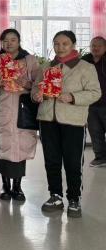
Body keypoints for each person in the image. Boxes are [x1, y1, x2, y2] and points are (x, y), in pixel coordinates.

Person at [32, 30, 101, 218]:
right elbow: (35, 89)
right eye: (56, 44)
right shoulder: (46, 67)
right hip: (47, 120)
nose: (60, 47)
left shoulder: (85, 67)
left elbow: (95, 93)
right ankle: (55, 195)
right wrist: (37, 95)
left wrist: (72, 97)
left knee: (73, 162)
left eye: (65, 44)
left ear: (73, 45)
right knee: (51, 160)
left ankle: (74, 199)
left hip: (73, 121)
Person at [0, 29, 39, 202]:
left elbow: (39, 84)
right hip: (2, 107)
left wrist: (27, 83)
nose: (9, 43)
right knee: (3, 146)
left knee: (21, 147)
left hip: (23, 108)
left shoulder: (29, 60)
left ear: (19, 41)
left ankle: (17, 186)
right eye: (5, 40)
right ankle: (5, 185)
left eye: (13, 40)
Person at [82, 36, 106, 167]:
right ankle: (100, 157)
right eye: (93, 46)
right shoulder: (84, 61)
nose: (95, 48)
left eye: (99, 45)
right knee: (95, 131)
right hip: (90, 104)